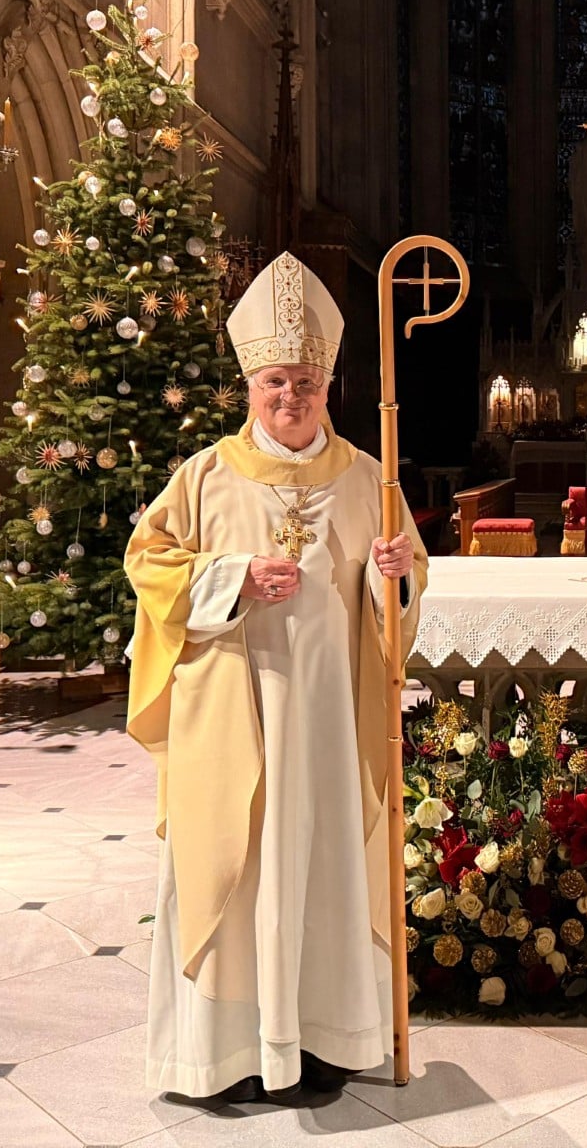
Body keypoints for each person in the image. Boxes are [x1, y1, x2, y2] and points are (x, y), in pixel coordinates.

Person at [125, 252, 425, 1103]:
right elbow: (148, 564)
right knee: (240, 861)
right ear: (249, 384)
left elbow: (397, 604)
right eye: (272, 382)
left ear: (327, 384)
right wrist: (232, 579)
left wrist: (391, 572)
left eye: (302, 381)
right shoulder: (207, 476)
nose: (288, 397)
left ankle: (323, 1041)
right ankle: (225, 1055)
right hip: (232, 714)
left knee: (324, 862)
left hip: (329, 725)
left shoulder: (374, 478)